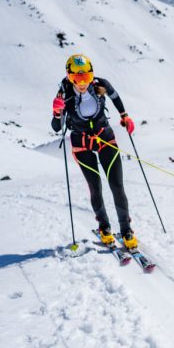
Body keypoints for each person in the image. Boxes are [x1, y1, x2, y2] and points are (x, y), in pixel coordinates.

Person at [51, 54, 139, 248]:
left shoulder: (101, 84)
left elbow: (115, 97)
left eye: (86, 77)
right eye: (76, 78)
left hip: (105, 138)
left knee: (117, 185)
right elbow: (57, 127)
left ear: (91, 75)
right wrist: (57, 113)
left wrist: (124, 116)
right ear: (69, 77)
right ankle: (104, 227)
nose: (82, 82)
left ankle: (126, 229)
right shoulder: (64, 94)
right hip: (82, 144)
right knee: (95, 187)